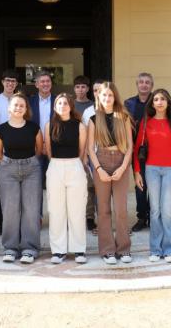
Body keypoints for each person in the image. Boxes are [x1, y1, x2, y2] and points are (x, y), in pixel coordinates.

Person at [134, 89, 171, 263]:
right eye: (156, 99)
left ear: (168, 102)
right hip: (151, 169)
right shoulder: (146, 122)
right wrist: (136, 172)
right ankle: (155, 249)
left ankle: (169, 249)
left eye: (163, 99)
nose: (159, 102)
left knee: (167, 210)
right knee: (154, 210)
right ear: (152, 103)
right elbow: (136, 150)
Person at [87, 82, 133, 265]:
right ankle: (107, 250)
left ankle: (124, 249)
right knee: (104, 209)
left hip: (121, 159)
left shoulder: (123, 117)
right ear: (99, 97)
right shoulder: (93, 118)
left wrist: (123, 167)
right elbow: (90, 148)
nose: (107, 98)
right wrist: (98, 169)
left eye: (110, 95)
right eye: (104, 95)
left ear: (115, 97)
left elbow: (129, 146)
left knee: (121, 209)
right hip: (102, 161)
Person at [0, 93, 43, 264]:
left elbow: (39, 148)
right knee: (10, 209)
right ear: (9, 107)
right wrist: (10, 163)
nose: (18, 108)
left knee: (31, 209)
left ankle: (30, 248)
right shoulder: (1, 129)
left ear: (26, 109)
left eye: (22, 105)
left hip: (31, 169)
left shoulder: (33, 127)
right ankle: (10, 248)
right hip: (8, 169)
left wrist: (29, 162)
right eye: (15, 105)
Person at [44, 93, 88, 264]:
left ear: (71, 106)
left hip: (75, 166)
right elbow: (48, 149)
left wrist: (74, 164)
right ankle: (58, 250)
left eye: (66, 103)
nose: (63, 106)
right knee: (56, 211)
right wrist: (55, 164)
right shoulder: (49, 126)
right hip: (55, 166)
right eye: (59, 103)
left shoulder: (80, 126)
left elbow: (82, 150)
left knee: (77, 210)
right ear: (55, 107)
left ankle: (79, 250)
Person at [124, 72, 154, 233]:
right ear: (137, 84)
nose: (144, 84)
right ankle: (142, 217)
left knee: (154, 185)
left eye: (147, 82)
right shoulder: (128, 103)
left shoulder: (157, 101)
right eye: (141, 82)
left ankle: (152, 215)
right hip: (136, 151)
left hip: (156, 150)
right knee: (140, 186)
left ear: (151, 86)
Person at [0, 69, 19, 235]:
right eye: (7, 80)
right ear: (2, 82)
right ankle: (1, 221)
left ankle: (15, 221)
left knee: (16, 188)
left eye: (13, 81)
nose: (10, 84)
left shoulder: (20, 101)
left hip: (18, 150)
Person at [80, 78, 103, 233]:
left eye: (101, 90)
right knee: (90, 188)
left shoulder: (115, 111)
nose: (98, 93)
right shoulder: (88, 112)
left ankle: (103, 219)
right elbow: (85, 136)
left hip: (109, 156)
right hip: (91, 154)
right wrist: (85, 156)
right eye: (95, 90)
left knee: (104, 190)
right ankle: (90, 218)